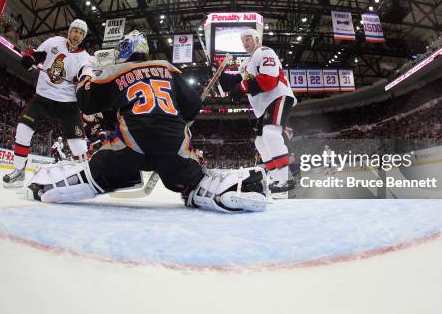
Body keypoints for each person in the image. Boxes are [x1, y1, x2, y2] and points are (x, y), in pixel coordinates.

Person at [25, 30, 268, 213]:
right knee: (193, 181)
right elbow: (193, 105)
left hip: (130, 143)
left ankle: (47, 186)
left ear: (125, 50)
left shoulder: (116, 70)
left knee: (97, 172)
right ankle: (231, 188)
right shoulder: (168, 68)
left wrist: (89, 73)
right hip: (174, 143)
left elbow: (86, 103)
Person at [2, 19, 92, 188]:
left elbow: (86, 77)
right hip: (43, 97)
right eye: (75, 31)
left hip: (68, 104)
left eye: (80, 33)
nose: (76, 35)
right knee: (23, 129)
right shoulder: (54, 42)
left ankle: (86, 178)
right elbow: (34, 55)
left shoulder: (85, 58)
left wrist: (84, 81)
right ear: (69, 31)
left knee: (79, 145)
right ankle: (19, 171)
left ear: (83, 37)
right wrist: (28, 59)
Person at [219, 28, 297, 193]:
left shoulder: (264, 52)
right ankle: (278, 181)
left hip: (278, 97)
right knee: (260, 142)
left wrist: (240, 88)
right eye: (243, 41)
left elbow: (269, 80)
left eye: (248, 39)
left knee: (270, 133)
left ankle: (287, 179)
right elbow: (236, 82)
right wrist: (220, 75)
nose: (245, 43)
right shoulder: (246, 64)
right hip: (264, 106)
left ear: (257, 39)